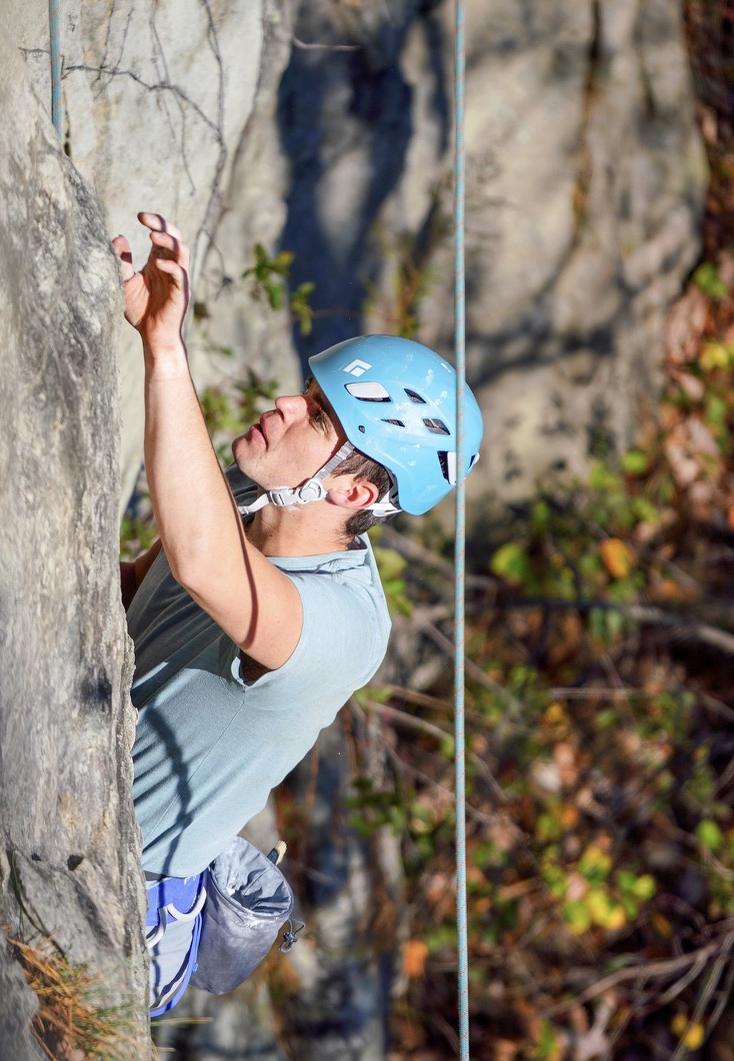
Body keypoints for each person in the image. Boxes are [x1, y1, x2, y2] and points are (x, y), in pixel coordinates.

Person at [114, 213, 483, 1012]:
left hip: (122, 897)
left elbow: (205, 564)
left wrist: (164, 347)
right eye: (307, 394)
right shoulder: (248, 494)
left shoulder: (346, 627)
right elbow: (132, 593)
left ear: (352, 492)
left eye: (316, 416)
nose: (281, 403)